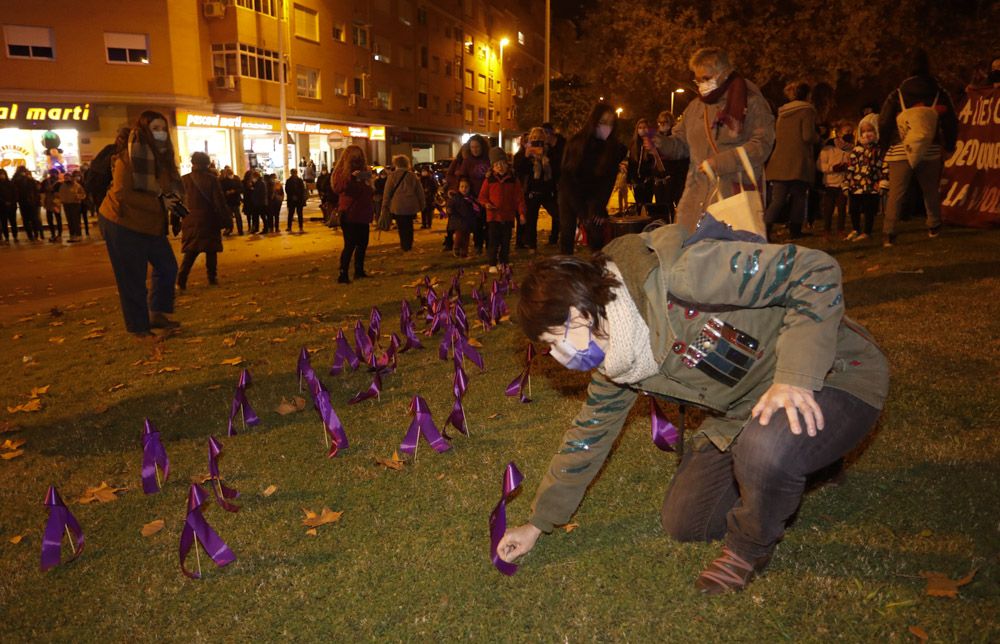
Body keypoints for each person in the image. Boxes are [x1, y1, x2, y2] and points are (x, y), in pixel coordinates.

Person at [497, 218, 889, 595]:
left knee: (765, 451)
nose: (555, 355)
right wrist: (537, 524)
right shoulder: (618, 361)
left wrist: (795, 377)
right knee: (686, 520)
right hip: (744, 412)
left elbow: (813, 270)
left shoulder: (685, 277)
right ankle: (810, 456)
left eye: (553, 340)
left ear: (579, 314)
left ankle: (748, 548)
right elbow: (586, 438)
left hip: (833, 373)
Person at [654, 48, 775, 232]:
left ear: (724, 73)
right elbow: (680, 144)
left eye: (706, 78)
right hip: (694, 202)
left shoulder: (752, 103)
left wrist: (721, 162)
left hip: (732, 198)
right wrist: (661, 143)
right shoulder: (695, 107)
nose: (701, 84)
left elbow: (762, 145)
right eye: (697, 79)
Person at [98, 110, 184, 337]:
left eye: (163, 129)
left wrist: (180, 209)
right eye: (155, 129)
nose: (161, 133)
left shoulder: (164, 157)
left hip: (150, 225)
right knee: (132, 279)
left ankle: (158, 313)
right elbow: (122, 193)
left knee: (167, 267)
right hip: (122, 223)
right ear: (145, 130)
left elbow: (168, 191)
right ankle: (139, 328)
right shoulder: (129, 157)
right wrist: (160, 205)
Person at [877, 49, 959, 247]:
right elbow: (951, 121)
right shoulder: (939, 93)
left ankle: (889, 232)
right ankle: (934, 226)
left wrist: (884, 146)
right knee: (930, 190)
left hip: (900, 148)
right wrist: (949, 145)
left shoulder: (897, 93)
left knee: (896, 192)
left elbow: (884, 121)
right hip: (929, 148)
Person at [558, 103, 627, 254]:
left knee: (596, 231)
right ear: (594, 121)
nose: (606, 127)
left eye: (610, 123)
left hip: (593, 193)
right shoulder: (577, 143)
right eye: (603, 122)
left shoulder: (612, 149)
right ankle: (566, 269)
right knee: (567, 231)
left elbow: (607, 182)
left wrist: (599, 207)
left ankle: (598, 266)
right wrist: (582, 213)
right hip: (571, 192)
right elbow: (568, 180)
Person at [763, 81, 819, 239]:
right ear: (808, 95)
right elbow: (807, 135)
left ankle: (764, 230)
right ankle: (795, 230)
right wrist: (817, 137)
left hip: (779, 159)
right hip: (798, 159)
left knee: (778, 199)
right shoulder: (807, 110)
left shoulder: (782, 112)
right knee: (799, 196)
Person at [177, 152, 231, 289]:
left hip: (190, 219)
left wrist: (176, 221)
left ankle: (181, 280)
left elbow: (177, 202)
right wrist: (227, 221)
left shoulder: (184, 180)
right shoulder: (212, 180)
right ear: (207, 164)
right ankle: (212, 278)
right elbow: (219, 202)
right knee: (211, 251)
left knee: (191, 251)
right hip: (209, 219)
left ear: (192, 163)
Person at [331, 145, 374, 283]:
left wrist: (367, 181)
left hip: (363, 213)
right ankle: (343, 273)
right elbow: (339, 188)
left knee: (363, 244)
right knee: (349, 244)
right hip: (349, 213)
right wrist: (352, 178)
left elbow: (369, 191)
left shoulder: (364, 171)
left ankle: (359, 270)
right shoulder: (341, 172)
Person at [841, 114, 888, 242]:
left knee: (869, 210)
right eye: (864, 131)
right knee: (854, 209)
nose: (867, 134)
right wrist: (846, 183)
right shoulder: (856, 150)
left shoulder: (879, 150)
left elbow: (884, 167)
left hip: (872, 186)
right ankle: (856, 229)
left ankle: (867, 231)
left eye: (870, 130)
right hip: (855, 186)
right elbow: (850, 167)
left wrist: (883, 183)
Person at [478, 148, 525, 272]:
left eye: (503, 164)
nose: (500, 167)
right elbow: (482, 196)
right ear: (493, 166)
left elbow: (519, 198)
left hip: (508, 216)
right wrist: (486, 204)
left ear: (507, 165)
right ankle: (492, 263)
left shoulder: (513, 180)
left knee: (506, 241)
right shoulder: (489, 180)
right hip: (493, 217)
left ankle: (504, 261)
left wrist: (521, 213)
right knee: (493, 241)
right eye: (497, 164)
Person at [514, 127, 558, 251]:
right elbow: (518, 169)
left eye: (539, 139)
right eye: (533, 138)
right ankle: (531, 245)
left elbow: (555, 171)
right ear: (529, 140)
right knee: (531, 220)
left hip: (546, 190)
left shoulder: (549, 152)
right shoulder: (524, 153)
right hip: (531, 191)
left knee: (557, 213)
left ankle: (554, 238)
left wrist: (546, 160)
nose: (536, 141)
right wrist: (527, 156)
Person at [445, 134, 491, 254]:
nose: (475, 149)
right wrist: (457, 190)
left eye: (477, 147)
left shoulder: (488, 159)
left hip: (488, 196)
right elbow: (462, 177)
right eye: (472, 147)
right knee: (478, 224)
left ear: (482, 147)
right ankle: (478, 245)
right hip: (474, 197)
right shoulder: (467, 161)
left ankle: (490, 245)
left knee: (489, 223)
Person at [380, 155, 425, 251]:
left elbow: (387, 193)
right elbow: (419, 191)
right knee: (409, 225)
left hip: (398, 205)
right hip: (410, 205)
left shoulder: (392, 176)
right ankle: (409, 243)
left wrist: (385, 206)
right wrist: (422, 204)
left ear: (396, 164)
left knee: (401, 226)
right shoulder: (413, 176)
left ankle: (404, 245)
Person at [817, 121, 854, 235]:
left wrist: (848, 168)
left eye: (851, 132)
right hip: (830, 183)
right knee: (828, 208)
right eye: (846, 132)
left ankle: (840, 229)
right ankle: (827, 229)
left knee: (842, 208)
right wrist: (833, 168)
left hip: (843, 183)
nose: (849, 134)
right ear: (839, 134)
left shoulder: (851, 150)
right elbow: (820, 165)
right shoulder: (828, 149)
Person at [652, 111, 689, 223]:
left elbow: (678, 154)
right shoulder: (656, 137)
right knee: (660, 209)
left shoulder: (675, 137)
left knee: (674, 208)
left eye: (665, 122)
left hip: (673, 179)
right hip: (660, 180)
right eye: (660, 122)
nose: (662, 124)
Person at [627, 118, 665, 214]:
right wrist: (629, 180)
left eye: (644, 127)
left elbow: (655, 162)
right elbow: (631, 163)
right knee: (639, 206)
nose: (642, 130)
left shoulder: (651, 143)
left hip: (648, 181)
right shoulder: (634, 144)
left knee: (647, 205)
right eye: (640, 127)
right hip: (636, 182)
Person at [541, 122, 566, 245]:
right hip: (551, 182)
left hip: (563, 181)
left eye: (545, 133)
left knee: (560, 208)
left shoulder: (563, 144)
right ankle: (557, 234)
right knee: (555, 209)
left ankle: (557, 236)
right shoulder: (546, 149)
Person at [447, 177, 478, 258]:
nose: (464, 189)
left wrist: (476, 212)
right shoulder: (456, 198)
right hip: (458, 220)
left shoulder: (471, 198)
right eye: (462, 187)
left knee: (466, 238)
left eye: (466, 187)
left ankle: (464, 252)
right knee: (459, 236)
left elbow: (475, 208)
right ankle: (456, 248)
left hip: (468, 221)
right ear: (458, 187)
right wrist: (449, 210)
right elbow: (450, 206)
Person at [12, 167, 43, 241]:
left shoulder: (27, 179)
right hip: (27, 202)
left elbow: (36, 190)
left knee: (30, 219)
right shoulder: (19, 180)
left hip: (28, 202)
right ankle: (34, 235)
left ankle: (33, 235)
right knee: (31, 219)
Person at [57, 171, 86, 242]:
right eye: (65, 178)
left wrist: (78, 197)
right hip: (66, 205)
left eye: (68, 177)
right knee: (70, 221)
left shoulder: (77, 185)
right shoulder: (63, 186)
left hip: (75, 204)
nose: (66, 179)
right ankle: (72, 234)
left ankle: (78, 235)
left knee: (76, 220)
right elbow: (60, 194)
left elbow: (83, 194)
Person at [220, 166, 244, 235]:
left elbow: (241, 189)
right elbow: (221, 190)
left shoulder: (236, 179)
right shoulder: (224, 181)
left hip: (234, 201)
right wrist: (226, 192)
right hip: (229, 201)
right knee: (230, 217)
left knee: (236, 216)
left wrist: (234, 191)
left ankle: (238, 230)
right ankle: (231, 229)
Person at [41, 169, 63, 242]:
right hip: (48, 202)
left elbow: (62, 192)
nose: (53, 175)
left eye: (54, 173)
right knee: (49, 219)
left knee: (58, 218)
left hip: (56, 202)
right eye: (51, 173)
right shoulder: (45, 182)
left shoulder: (59, 183)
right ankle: (53, 234)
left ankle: (59, 234)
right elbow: (42, 191)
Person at [0, 169, 19, 244]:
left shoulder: (11, 183)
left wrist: (12, 201)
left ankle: (15, 236)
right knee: (4, 223)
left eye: (3, 174)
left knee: (13, 222)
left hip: (12, 206)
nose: (2, 175)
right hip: (2, 207)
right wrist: (4, 202)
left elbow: (16, 194)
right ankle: (7, 237)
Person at [285, 168, 306, 233]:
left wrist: (298, 196)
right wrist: (292, 196)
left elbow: (302, 190)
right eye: (293, 173)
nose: (294, 174)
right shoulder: (288, 181)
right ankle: (289, 227)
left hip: (299, 200)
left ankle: (301, 227)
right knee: (291, 214)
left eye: (295, 173)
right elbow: (287, 190)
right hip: (291, 200)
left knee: (299, 214)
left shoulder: (300, 180)